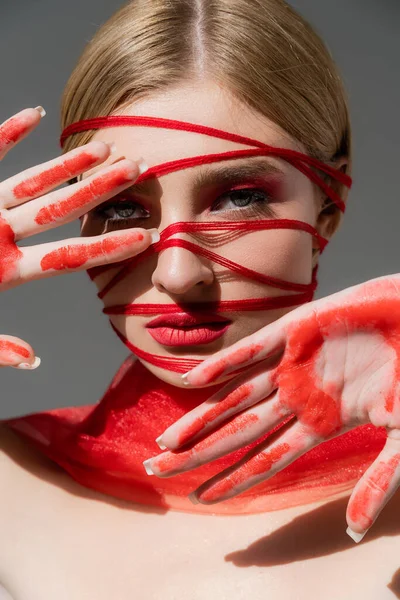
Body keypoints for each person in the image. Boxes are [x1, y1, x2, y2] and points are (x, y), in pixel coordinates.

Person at [0, 0, 399, 598]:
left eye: (239, 198)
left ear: (327, 209)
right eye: (122, 208)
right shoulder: (12, 480)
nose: (180, 274)